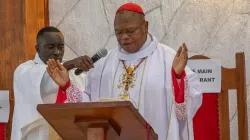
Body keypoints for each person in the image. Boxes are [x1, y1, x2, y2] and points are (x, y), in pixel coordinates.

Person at [47, 3, 202, 140]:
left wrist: (178, 77)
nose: (124, 37)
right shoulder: (103, 65)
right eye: (119, 32)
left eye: (130, 31)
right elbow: (90, 105)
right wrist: (67, 85)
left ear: (145, 27)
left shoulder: (169, 60)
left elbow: (184, 111)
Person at [11, 27, 85, 140]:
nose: (57, 52)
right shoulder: (24, 70)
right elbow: (44, 80)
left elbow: (83, 102)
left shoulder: (74, 72)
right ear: (38, 48)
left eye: (61, 47)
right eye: (50, 47)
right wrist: (70, 65)